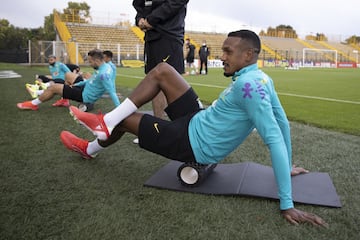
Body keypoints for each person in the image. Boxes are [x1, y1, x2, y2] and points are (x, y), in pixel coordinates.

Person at [60, 30, 327, 226]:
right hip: (197, 119)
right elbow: (283, 122)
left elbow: (275, 136)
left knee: (125, 120)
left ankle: (90, 147)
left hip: (191, 143)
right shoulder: (259, 77)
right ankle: (106, 123)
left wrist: (287, 203)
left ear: (248, 55)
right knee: (163, 70)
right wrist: (289, 165)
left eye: (227, 52)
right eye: (222, 50)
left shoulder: (251, 88)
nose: (221, 57)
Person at [133, 0, 189, 120]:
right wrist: (140, 19)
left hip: (169, 35)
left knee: (172, 83)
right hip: (150, 37)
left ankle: (181, 129)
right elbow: (138, 4)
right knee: (154, 82)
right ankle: (158, 128)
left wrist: (151, 19)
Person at [17, 49, 120, 111]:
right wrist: (78, 84)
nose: (89, 64)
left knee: (53, 88)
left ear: (97, 60)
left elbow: (112, 92)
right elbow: (91, 80)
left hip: (84, 96)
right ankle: (64, 100)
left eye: (90, 62)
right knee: (68, 75)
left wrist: (120, 110)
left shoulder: (103, 75)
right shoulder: (105, 66)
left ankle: (33, 104)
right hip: (85, 88)